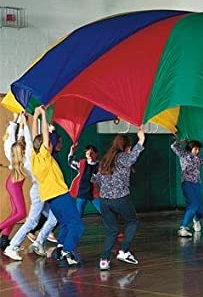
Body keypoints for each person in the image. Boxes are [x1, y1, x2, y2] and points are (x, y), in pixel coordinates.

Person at [30, 106, 84, 267]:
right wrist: (44, 116)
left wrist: (35, 116)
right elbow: (44, 138)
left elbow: (36, 138)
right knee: (77, 225)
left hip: (51, 198)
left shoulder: (34, 157)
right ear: (46, 147)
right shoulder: (45, 156)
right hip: (60, 194)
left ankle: (60, 248)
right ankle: (68, 250)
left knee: (66, 223)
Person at [3, 112, 57, 261]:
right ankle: (12, 246)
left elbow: (27, 137)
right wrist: (26, 123)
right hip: (39, 190)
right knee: (31, 220)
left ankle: (38, 241)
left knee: (53, 217)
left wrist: (23, 123)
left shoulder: (24, 157)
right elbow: (29, 137)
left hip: (41, 189)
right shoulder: (30, 158)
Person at [92, 128, 145, 271]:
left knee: (112, 231)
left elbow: (96, 179)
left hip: (104, 201)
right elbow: (132, 158)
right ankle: (124, 251)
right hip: (120, 198)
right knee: (132, 221)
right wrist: (141, 140)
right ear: (126, 147)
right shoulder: (122, 157)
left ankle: (104, 260)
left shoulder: (105, 160)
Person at [0, 113, 28, 251]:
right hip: (14, 183)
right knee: (21, 213)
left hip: (14, 181)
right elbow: (13, 134)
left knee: (15, 212)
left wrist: (21, 122)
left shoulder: (16, 146)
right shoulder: (12, 147)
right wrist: (17, 119)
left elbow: (20, 138)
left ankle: (4, 239)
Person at [171, 139, 203, 238]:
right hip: (187, 183)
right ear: (190, 148)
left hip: (197, 184)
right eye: (195, 149)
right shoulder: (184, 154)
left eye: (198, 149)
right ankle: (183, 227)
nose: (197, 151)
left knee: (201, 210)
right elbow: (173, 146)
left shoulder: (197, 158)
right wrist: (181, 141)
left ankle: (196, 219)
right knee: (193, 205)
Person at [68, 143, 101, 216]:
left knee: (104, 212)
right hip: (82, 193)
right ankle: (76, 227)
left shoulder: (100, 166)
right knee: (78, 215)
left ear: (96, 154)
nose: (89, 155)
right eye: (87, 154)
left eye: (92, 153)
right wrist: (72, 151)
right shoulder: (82, 164)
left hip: (94, 193)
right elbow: (70, 162)